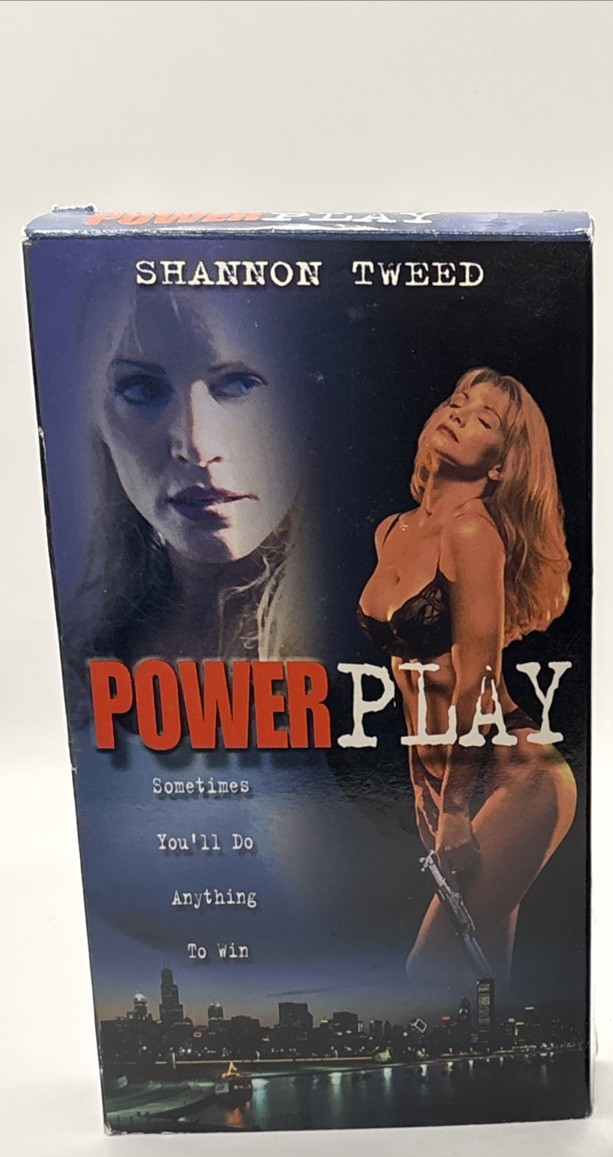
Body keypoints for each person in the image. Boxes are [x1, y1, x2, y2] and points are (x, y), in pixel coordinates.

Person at [357, 367, 576, 992]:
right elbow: (407, 678)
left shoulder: (473, 532)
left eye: (484, 419)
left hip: (515, 779)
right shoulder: (392, 531)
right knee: (485, 985)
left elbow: (477, 681)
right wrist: (424, 792)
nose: (459, 413)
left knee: (429, 968)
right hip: (448, 780)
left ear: (500, 465)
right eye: (457, 401)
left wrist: (453, 806)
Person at [74, 282, 312, 677]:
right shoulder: (89, 652)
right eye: (142, 389)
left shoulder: (365, 637)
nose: (197, 446)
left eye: (240, 384)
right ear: (98, 421)